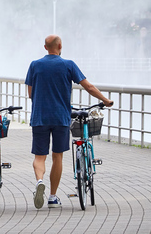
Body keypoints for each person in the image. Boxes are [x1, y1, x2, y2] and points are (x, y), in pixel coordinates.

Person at [25, 35, 113, 209]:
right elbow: (88, 87)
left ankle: (39, 181)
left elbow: (30, 94)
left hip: (40, 117)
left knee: (39, 157)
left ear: (45, 47)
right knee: (57, 156)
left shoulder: (34, 65)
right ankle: (52, 197)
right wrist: (105, 100)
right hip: (61, 117)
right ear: (60, 46)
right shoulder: (68, 65)